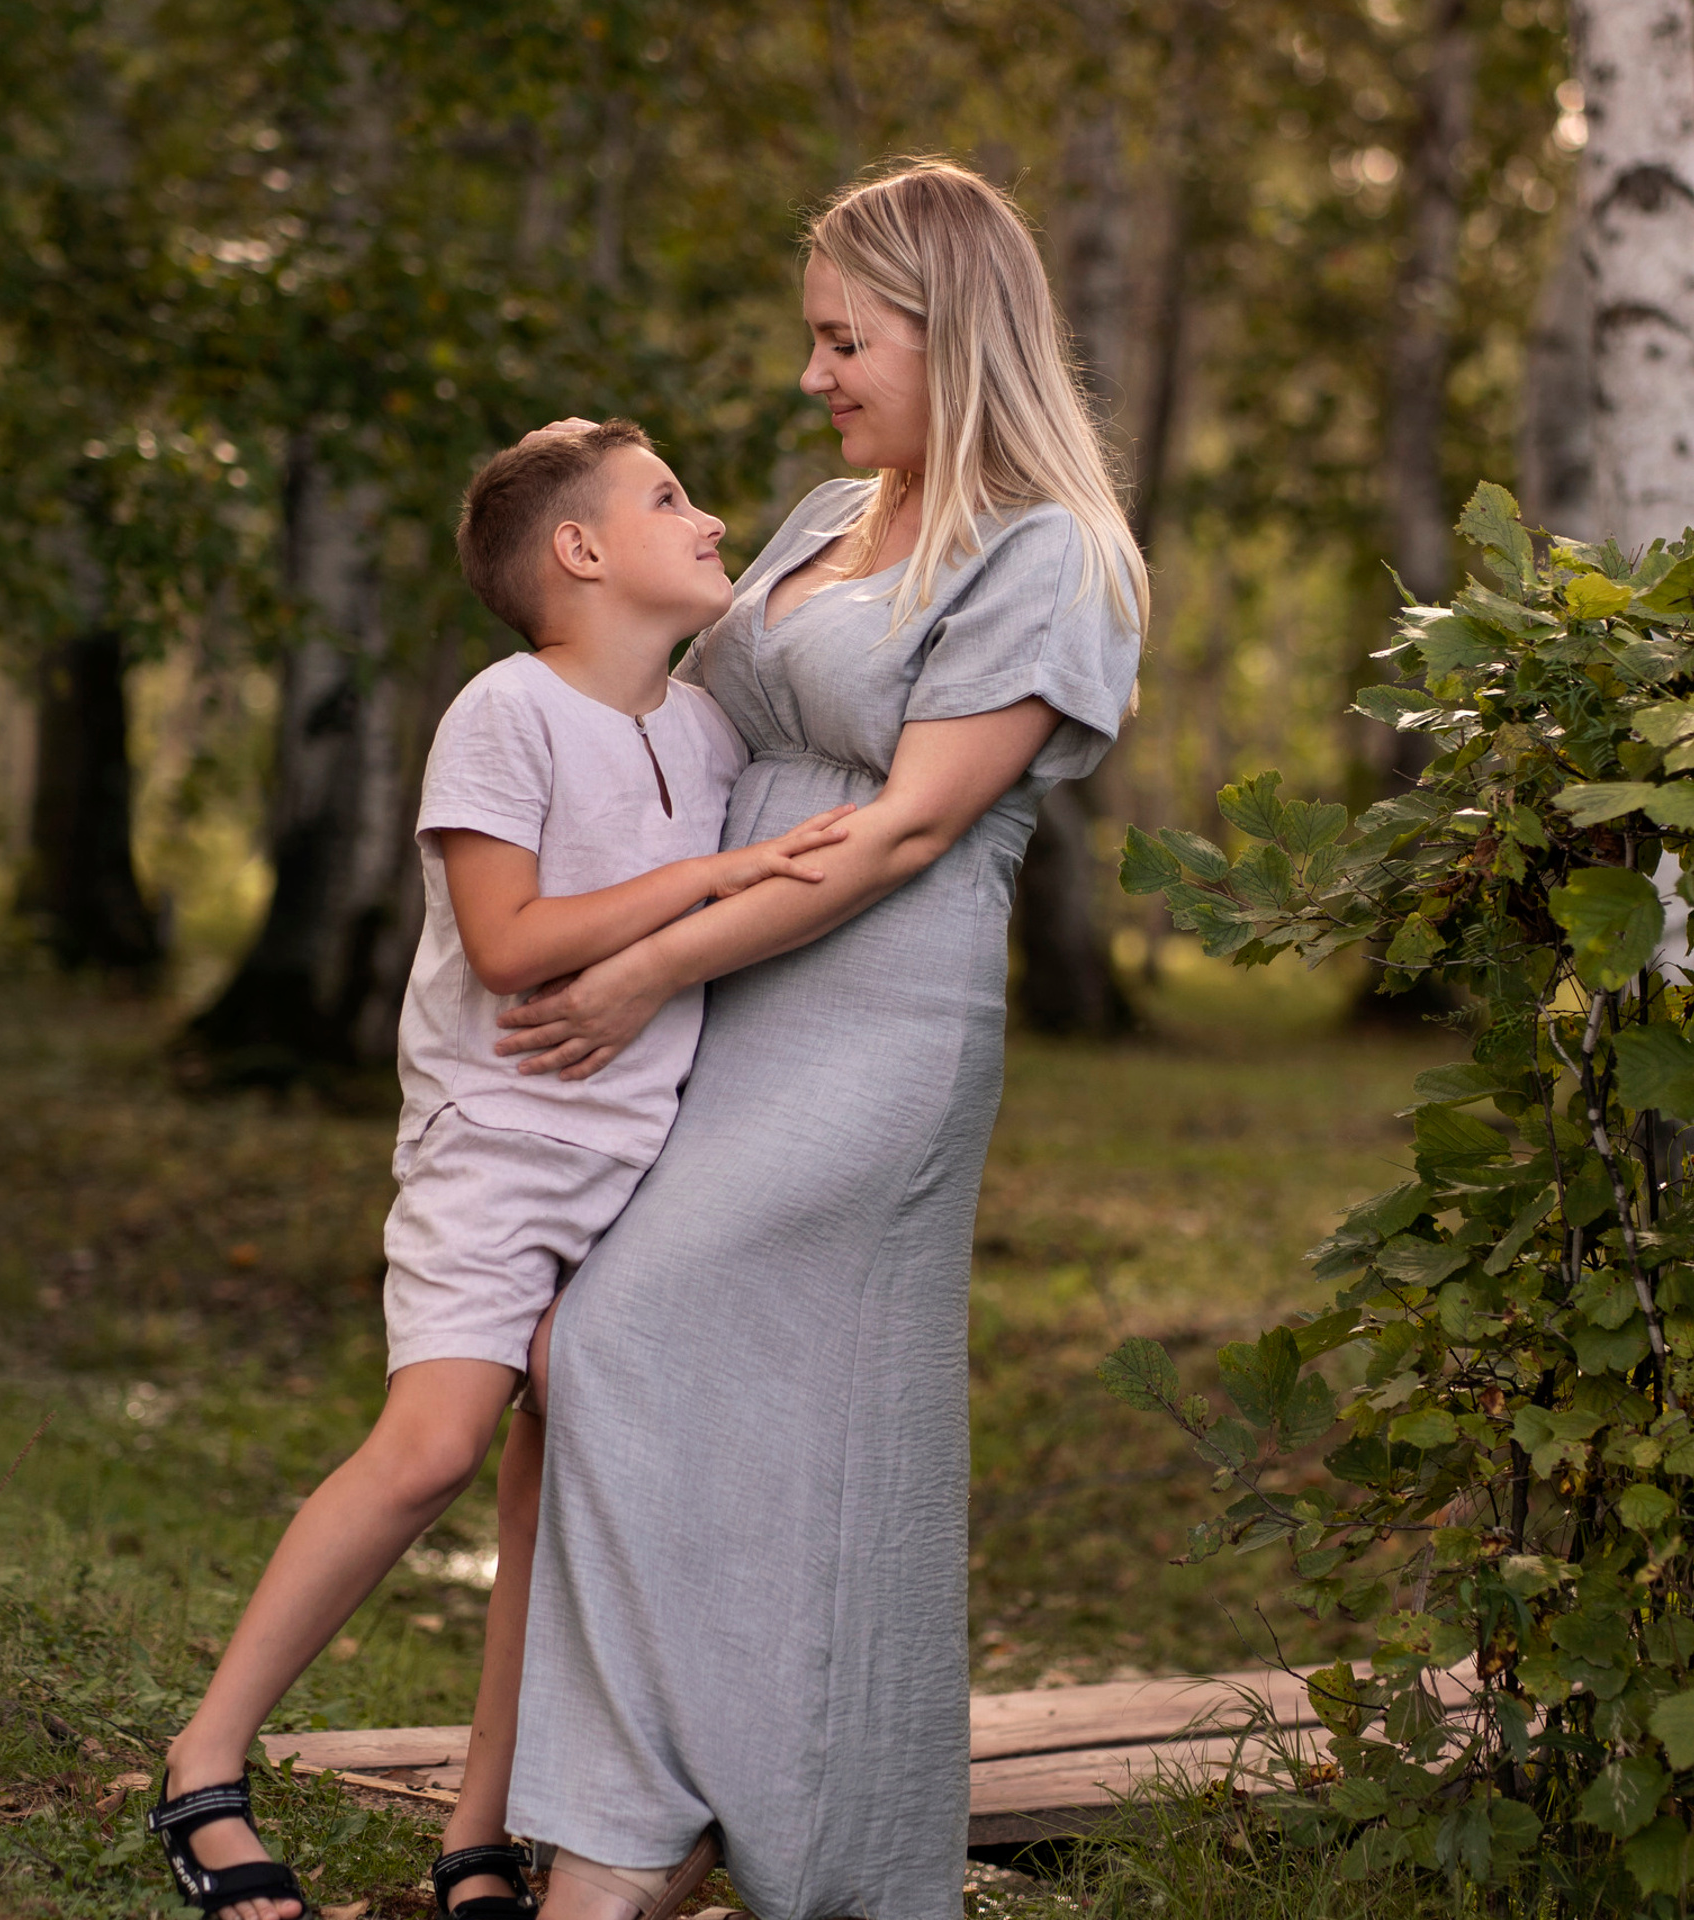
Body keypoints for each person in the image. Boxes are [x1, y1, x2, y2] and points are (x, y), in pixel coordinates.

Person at [497, 161, 1147, 1920]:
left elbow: (907, 831)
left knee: (630, 1345)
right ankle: (638, 1827)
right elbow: (669, 724)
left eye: (845, 339)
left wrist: (641, 971)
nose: (813, 377)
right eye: (812, 340)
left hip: (873, 1021)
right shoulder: (812, 518)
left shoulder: (1048, 554)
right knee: (662, 1385)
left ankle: (660, 1841)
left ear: (952, 330)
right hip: (719, 1003)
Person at [150, 419, 854, 1920]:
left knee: (559, 1473)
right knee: (431, 1452)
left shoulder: (709, 728)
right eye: (672, 499)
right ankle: (204, 1760)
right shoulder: (507, 712)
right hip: (502, 1153)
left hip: (641, 1170)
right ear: (580, 552)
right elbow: (510, 940)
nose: (714, 517)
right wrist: (711, 876)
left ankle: (484, 1832)